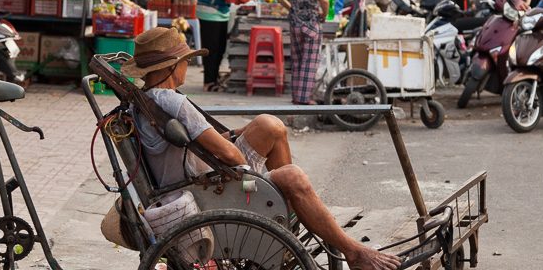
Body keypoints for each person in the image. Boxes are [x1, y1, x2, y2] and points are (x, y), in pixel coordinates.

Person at [121, 27, 402, 270]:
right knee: (291, 176)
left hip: (192, 178)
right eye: (184, 62)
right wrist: (235, 150)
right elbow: (233, 156)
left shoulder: (144, 100)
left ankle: (289, 213)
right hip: (201, 192)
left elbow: (208, 141)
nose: (186, 67)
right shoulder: (173, 102)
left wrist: (234, 134)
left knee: (269, 126)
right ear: (172, 66)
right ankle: (353, 251)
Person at [272, 0, 330, 105]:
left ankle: (296, 96)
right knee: (309, 62)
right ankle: (304, 99)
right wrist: (324, 14)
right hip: (311, 24)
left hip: (295, 24)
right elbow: (324, 0)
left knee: (297, 60)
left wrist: (289, 6)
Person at [195, 0, 232, 92]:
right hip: (208, 10)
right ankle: (209, 82)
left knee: (221, 48)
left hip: (223, 11)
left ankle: (214, 78)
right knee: (211, 49)